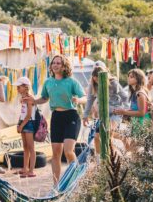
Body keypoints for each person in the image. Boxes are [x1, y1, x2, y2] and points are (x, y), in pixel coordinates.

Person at [24, 55, 86, 186]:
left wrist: (79, 100)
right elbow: (44, 98)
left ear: (64, 66)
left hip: (71, 116)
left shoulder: (71, 82)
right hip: (56, 117)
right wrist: (34, 101)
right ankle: (56, 186)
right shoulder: (48, 82)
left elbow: (84, 97)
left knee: (68, 151)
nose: (56, 65)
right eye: (54, 63)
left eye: (59, 63)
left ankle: (75, 179)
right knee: (56, 154)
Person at [82, 65, 128, 154]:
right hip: (103, 113)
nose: (97, 81)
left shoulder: (113, 83)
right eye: (95, 79)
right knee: (97, 137)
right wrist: (85, 115)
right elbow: (89, 100)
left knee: (108, 133)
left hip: (115, 113)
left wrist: (124, 110)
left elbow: (125, 97)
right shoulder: (93, 85)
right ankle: (99, 160)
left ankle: (112, 160)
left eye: (98, 79)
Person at [113, 68, 151, 133]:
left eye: (131, 77)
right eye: (128, 76)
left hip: (142, 123)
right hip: (136, 122)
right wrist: (121, 111)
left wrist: (124, 112)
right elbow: (134, 109)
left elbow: (142, 113)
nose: (128, 78)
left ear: (138, 79)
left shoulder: (140, 94)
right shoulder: (135, 92)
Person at [14, 77, 38, 178]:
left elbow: (28, 115)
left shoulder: (29, 99)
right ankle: (25, 168)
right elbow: (23, 114)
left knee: (31, 147)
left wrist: (21, 125)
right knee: (25, 147)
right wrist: (19, 124)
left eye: (19, 87)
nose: (17, 89)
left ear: (25, 87)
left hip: (29, 123)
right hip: (23, 122)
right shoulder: (23, 99)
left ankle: (31, 170)